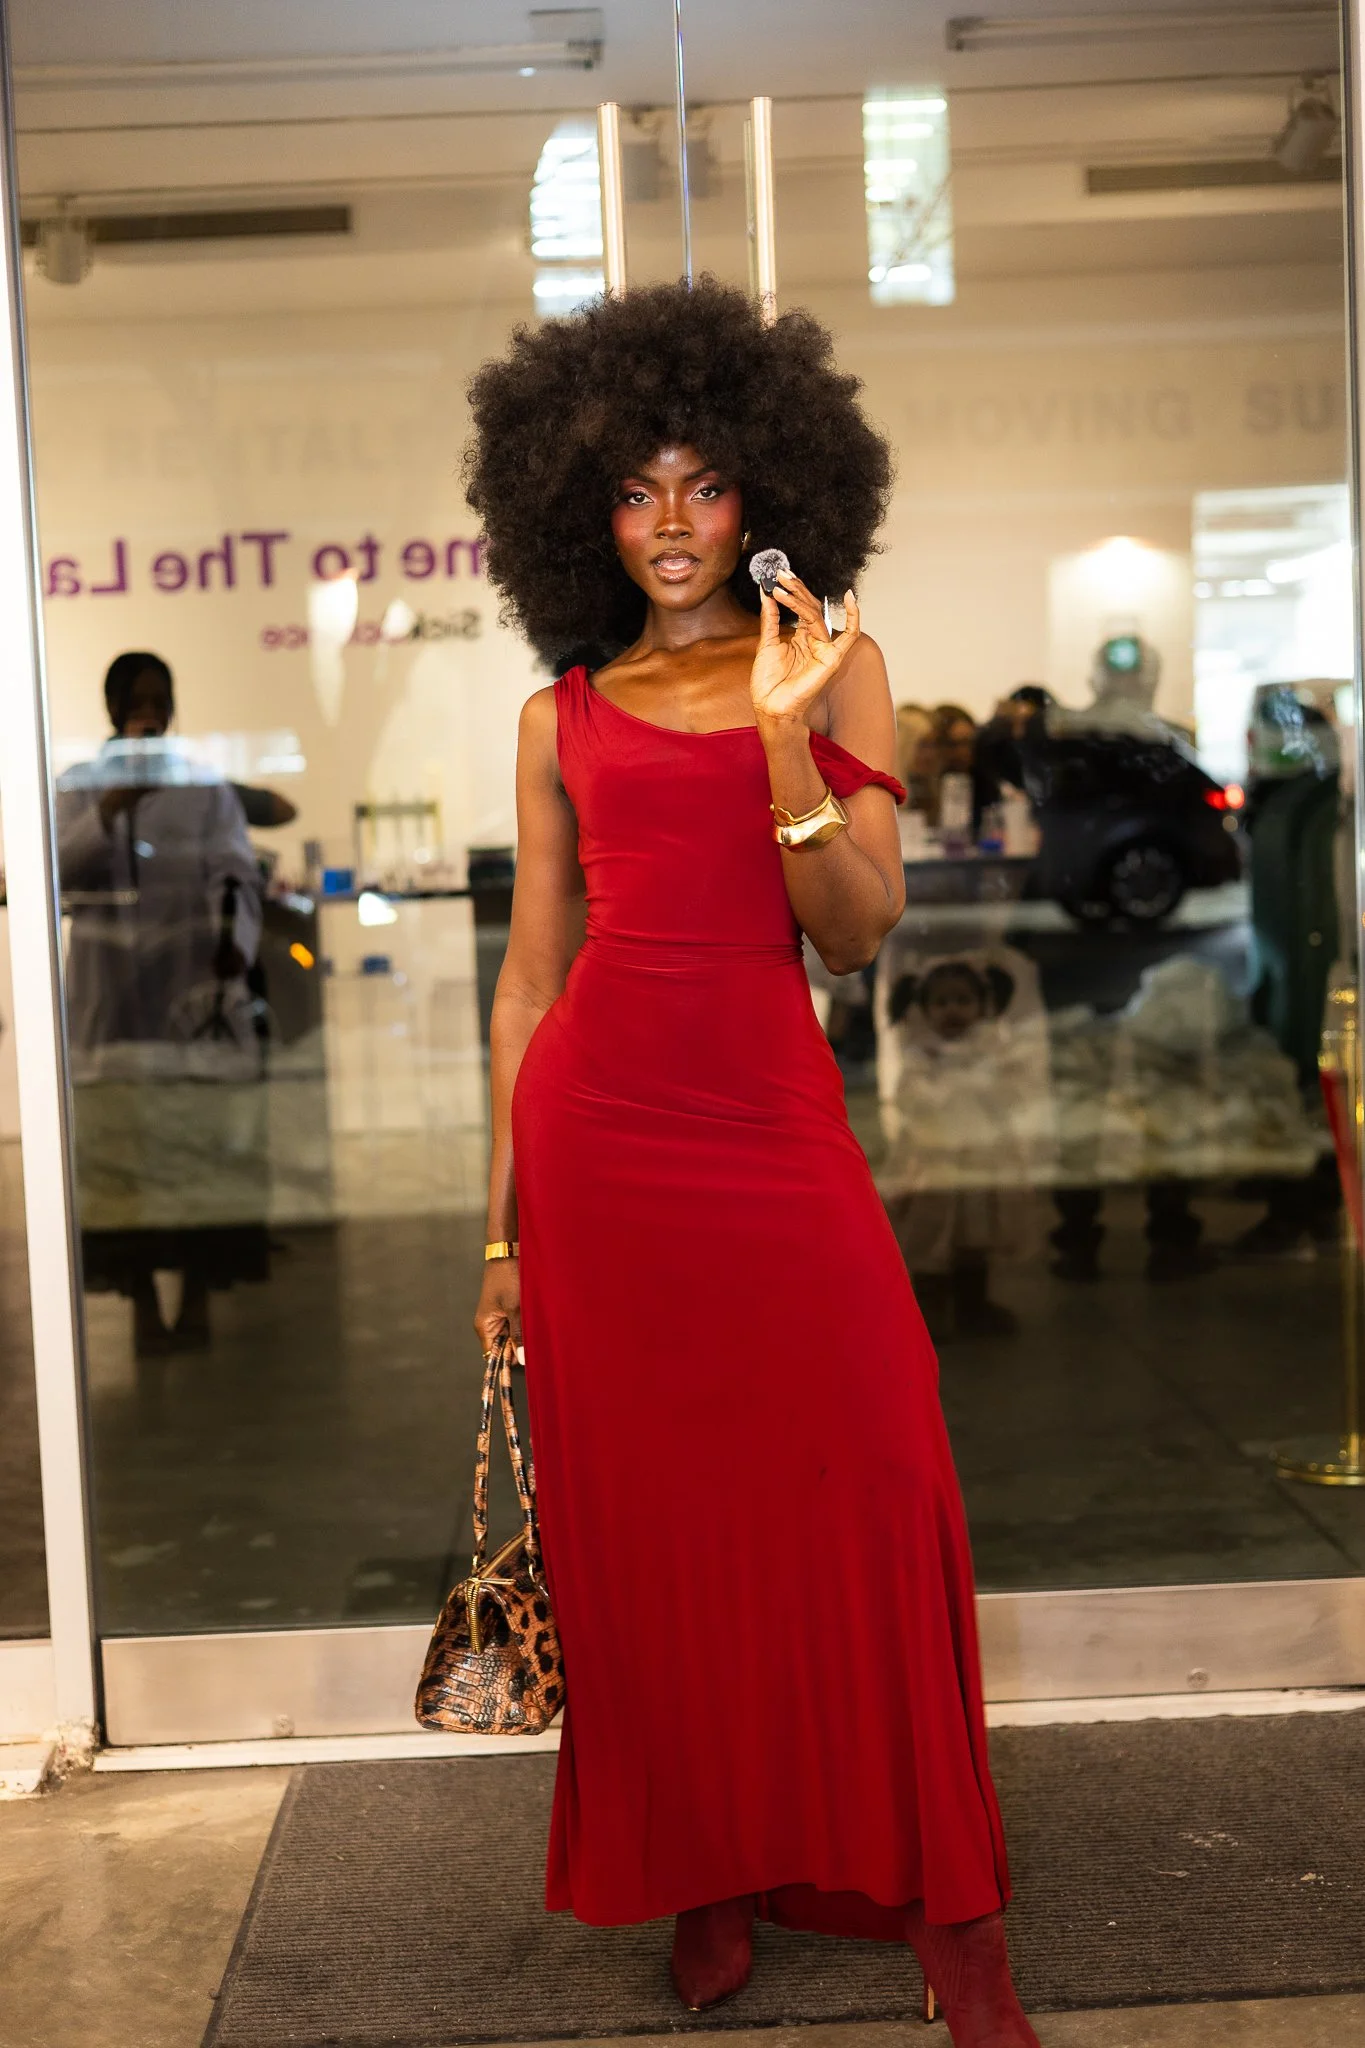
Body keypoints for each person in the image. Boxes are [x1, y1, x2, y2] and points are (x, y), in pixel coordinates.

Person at [467, 280, 1040, 2048]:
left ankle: (958, 1920)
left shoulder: (840, 662)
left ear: (767, 494)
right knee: (659, 1541)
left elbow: (856, 932)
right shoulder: (562, 713)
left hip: (771, 1132)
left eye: (704, 488)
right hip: (599, 1151)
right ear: (581, 508)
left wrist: (788, 731)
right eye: (634, 492)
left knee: (881, 1486)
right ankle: (707, 1869)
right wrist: (497, 1233)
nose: (667, 527)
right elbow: (531, 977)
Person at [56, 652, 266, 1356]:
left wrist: (233, 942)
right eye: (138, 699)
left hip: (186, 989)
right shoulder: (78, 785)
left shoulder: (202, 783)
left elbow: (236, 869)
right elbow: (56, 870)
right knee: (126, 1159)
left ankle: (198, 1296)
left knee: (194, 1149)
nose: (151, 711)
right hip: (110, 1001)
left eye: (161, 698)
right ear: (113, 708)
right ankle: (142, 1301)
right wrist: (115, 806)